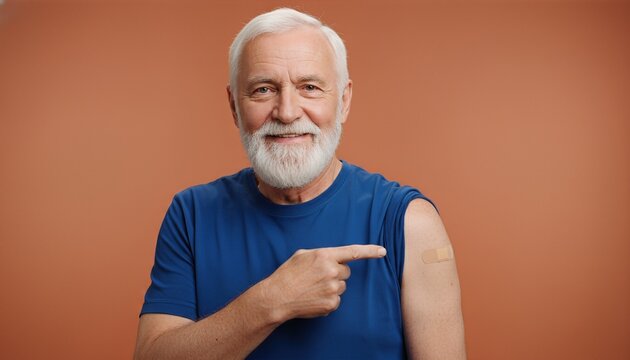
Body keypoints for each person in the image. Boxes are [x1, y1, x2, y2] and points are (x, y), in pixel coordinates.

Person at [134, 7, 465, 360]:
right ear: (234, 106)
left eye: (309, 87)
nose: (287, 111)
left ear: (343, 100)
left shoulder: (410, 223)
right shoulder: (191, 215)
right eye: (263, 89)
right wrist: (270, 301)